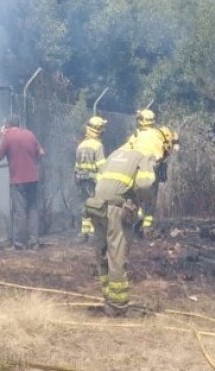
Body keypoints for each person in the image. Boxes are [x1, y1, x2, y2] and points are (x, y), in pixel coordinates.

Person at [85, 127, 177, 316]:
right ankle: (118, 307)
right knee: (116, 258)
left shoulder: (117, 152)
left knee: (102, 255)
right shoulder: (145, 155)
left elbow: (101, 178)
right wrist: (143, 202)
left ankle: (109, 299)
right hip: (116, 209)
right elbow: (144, 185)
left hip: (96, 206)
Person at [0, 113, 45, 250]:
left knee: (20, 211)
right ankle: (34, 242)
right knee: (33, 209)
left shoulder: (8, 137)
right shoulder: (29, 134)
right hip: (33, 178)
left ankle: (19, 243)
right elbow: (41, 152)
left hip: (18, 179)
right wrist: (32, 161)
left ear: (7, 126)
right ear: (19, 124)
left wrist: (2, 137)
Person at [75, 116, 107, 241]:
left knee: (84, 205)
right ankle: (94, 233)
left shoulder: (81, 145)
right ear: (98, 129)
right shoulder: (97, 146)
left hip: (81, 180)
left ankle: (84, 232)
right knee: (95, 206)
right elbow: (102, 166)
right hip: (94, 181)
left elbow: (76, 166)